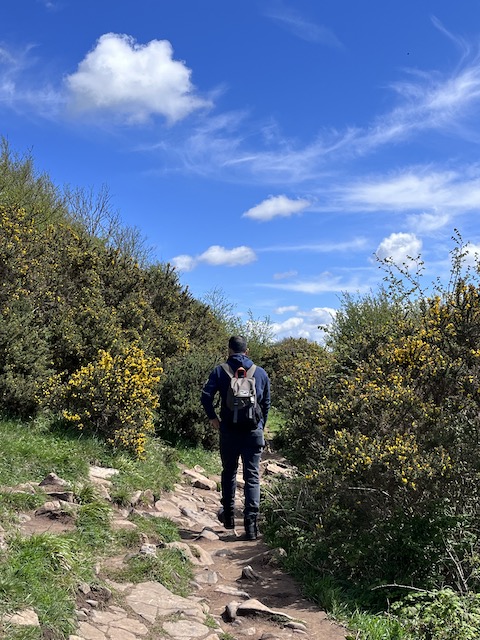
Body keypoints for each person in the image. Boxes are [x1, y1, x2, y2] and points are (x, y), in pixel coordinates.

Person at [201, 335, 270, 540]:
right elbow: (266, 403)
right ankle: (251, 525)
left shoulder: (220, 371)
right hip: (253, 433)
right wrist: (261, 426)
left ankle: (229, 517)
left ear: (229, 350)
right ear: (246, 351)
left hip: (229, 432)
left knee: (229, 471)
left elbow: (205, 396)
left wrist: (213, 418)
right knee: (252, 477)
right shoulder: (260, 373)